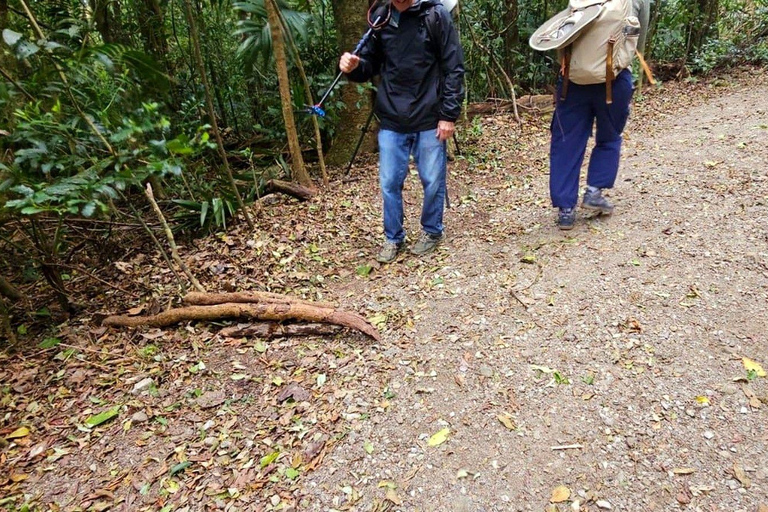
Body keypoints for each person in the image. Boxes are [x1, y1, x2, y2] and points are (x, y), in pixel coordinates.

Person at [339, 0, 465, 262]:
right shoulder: (381, 16)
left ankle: (432, 231)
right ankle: (393, 237)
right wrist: (353, 67)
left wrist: (448, 115)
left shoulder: (435, 15)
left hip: (429, 117)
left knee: (432, 181)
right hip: (392, 118)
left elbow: (453, 68)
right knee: (389, 183)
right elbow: (369, 64)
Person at [549, 0, 651, 230]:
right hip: (614, 80)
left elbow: (560, 35)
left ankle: (566, 209)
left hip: (571, 83)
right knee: (609, 136)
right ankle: (594, 191)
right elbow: (638, 40)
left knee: (566, 141)